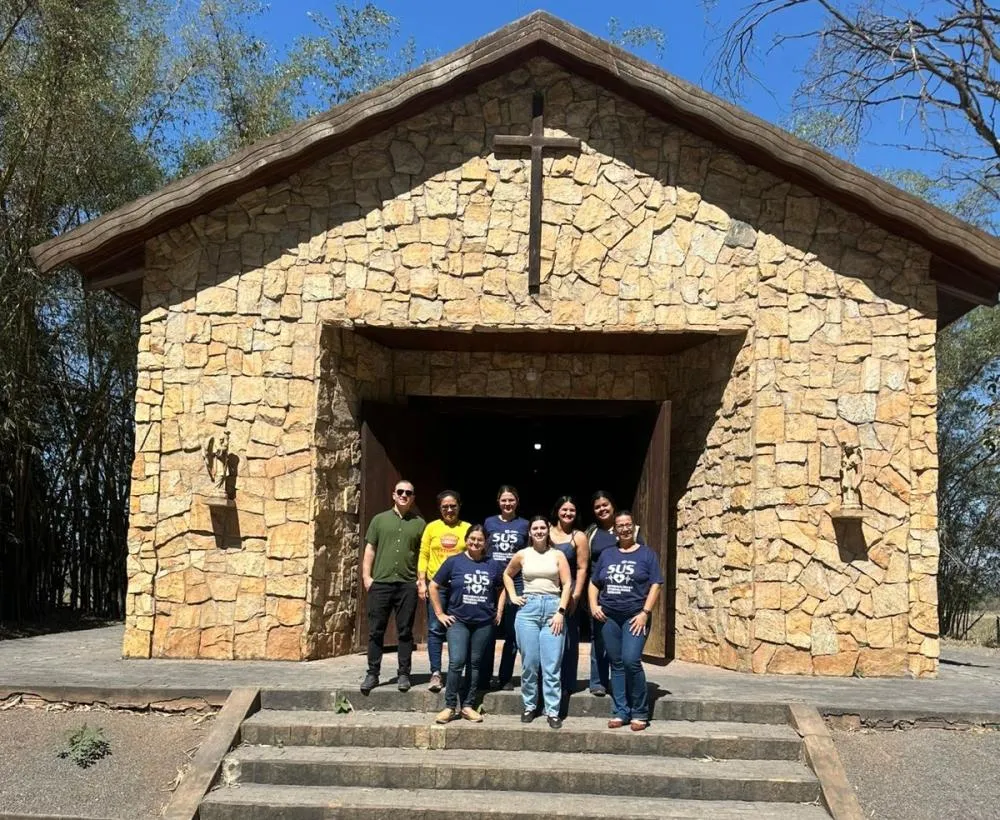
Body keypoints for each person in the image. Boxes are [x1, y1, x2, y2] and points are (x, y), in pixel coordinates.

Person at [588, 509, 663, 732]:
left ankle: (640, 712)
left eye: (628, 524)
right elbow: (594, 583)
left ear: (634, 527)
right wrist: (593, 605)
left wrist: (645, 613)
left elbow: (656, 584)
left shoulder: (647, 554)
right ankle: (621, 711)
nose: (625, 529)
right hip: (609, 617)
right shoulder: (607, 554)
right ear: (615, 530)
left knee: (631, 660)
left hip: (635, 616)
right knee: (617, 663)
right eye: (620, 526)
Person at [429, 524, 506, 724]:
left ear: (485, 543)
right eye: (472, 538)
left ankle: (467, 706)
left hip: (483, 623)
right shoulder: (454, 562)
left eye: (480, 540)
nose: (475, 542)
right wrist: (439, 613)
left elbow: (503, 588)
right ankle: (449, 706)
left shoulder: (493, 565)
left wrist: (499, 611)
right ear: (466, 539)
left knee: (475, 663)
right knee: (457, 661)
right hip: (458, 621)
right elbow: (433, 586)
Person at [503, 515, 572, 729]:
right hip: (528, 611)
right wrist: (513, 596)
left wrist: (561, 612)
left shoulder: (558, 555)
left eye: (543, 528)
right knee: (530, 663)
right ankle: (529, 706)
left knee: (551, 665)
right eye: (535, 528)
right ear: (530, 532)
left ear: (548, 530)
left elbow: (567, 584)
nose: (539, 531)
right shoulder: (523, 554)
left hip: (553, 609)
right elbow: (507, 574)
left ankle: (552, 711)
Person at [360, 479, 426, 695]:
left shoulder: (419, 524)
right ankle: (372, 673)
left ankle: (404, 674)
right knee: (376, 631)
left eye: (408, 492)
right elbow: (370, 549)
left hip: (407, 584)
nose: (404, 495)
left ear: (413, 497)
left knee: (405, 631)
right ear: (393, 494)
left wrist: (420, 579)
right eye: (400, 491)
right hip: (381, 583)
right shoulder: (379, 520)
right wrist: (367, 577)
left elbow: (423, 554)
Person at [585, 491, 643, 696]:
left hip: (624, 592)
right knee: (598, 637)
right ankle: (598, 681)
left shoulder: (632, 530)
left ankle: (621, 681)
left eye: (605, 505)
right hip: (599, 591)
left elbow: (641, 560)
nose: (602, 509)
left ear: (613, 505)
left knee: (620, 640)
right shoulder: (592, 532)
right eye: (597, 507)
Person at [418, 490, 470, 692]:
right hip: (436, 586)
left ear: (459, 506)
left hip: (460, 587)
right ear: (440, 508)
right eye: (445, 507)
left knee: (461, 627)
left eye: (453, 506)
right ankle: (436, 673)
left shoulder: (466, 528)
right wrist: (421, 581)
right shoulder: (432, 527)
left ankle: (457, 673)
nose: (449, 510)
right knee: (435, 628)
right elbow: (423, 554)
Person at [482, 485, 530, 690]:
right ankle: (484, 676)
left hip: (516, 581)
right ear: (498, 502)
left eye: (511, 500)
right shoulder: (489, 522)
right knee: (488, 629)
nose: (507, 503)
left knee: (512, 631)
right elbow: (482, 547)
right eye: (504, 500)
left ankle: (505, 677)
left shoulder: (525, 525)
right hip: (491, 579)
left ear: (517, 501)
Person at [548, 495, 589, 712]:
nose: (567, 513)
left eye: (572, 510)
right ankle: (547, 681)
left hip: (569, 593)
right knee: (547, 638)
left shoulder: (578, 537)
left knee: (569, 640)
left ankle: (567, 684)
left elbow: (582, 568)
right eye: (564, 509)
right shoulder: (545, 530)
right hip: (546, 591)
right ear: (557, 511)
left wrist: (576, 595)